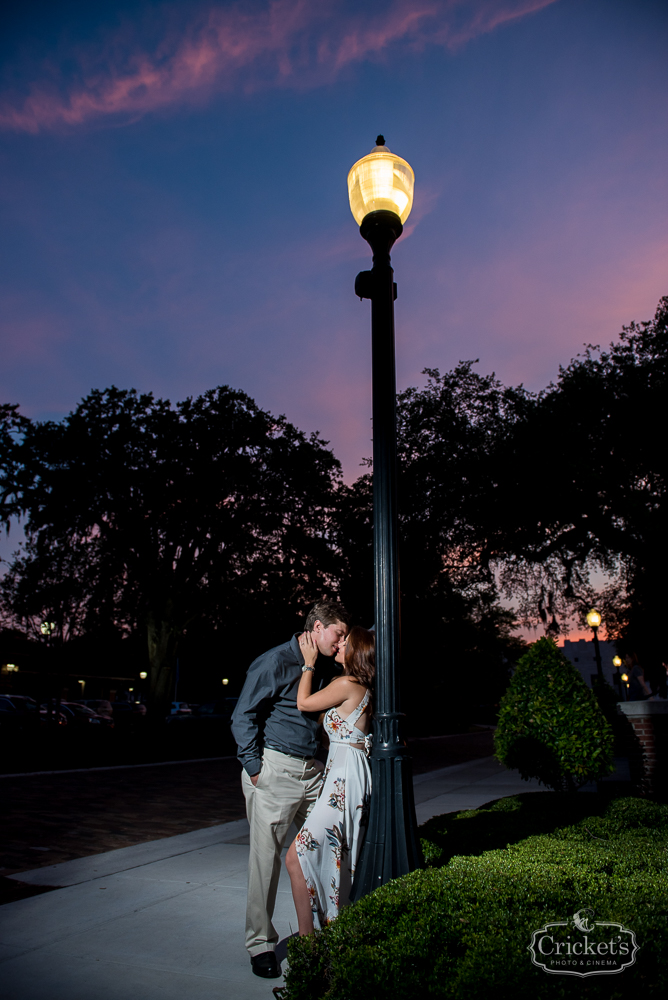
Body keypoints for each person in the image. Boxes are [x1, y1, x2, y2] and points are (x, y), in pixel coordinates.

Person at [230, 600, 351, 979]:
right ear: (317, 628)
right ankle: (261, 944)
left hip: (311, 773)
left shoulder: (327, 666)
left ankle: (325, 928)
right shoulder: (275, 661)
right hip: (274, 772)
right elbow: (242, 716)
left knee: (332, 843)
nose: (342, 640)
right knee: (265, 863)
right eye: (338, 633)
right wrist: (254, 769)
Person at [285, 626, 374, 934]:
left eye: (344, 643)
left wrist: (309, 663)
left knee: (296, 856)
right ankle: (331, 931)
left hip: (345, 778)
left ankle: (310, 948)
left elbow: (304, 703)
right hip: (342, 773)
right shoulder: (353, 685)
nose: (338, 645)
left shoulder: (349, 683)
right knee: (333, 853)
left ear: (357, 651)